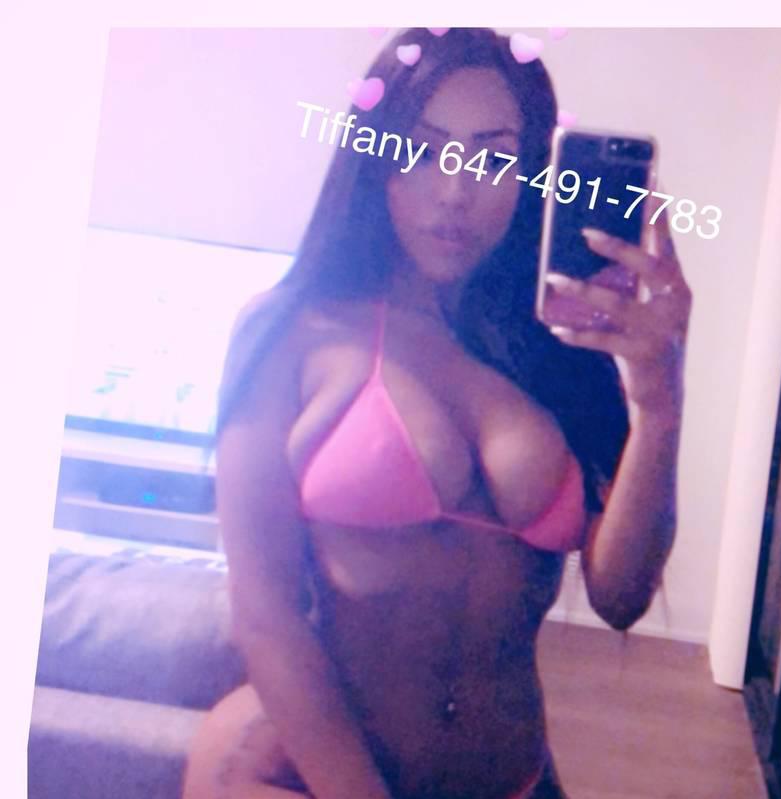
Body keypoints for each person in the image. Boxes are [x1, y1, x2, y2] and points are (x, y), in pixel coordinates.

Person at [181, 26, 691, 799]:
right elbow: (266, 615)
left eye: (492, 159)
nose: (455, 191)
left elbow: (620, 596)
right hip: (313, 780)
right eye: (423, 150)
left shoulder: (557, 351)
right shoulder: (294, 331)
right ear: (375, 158)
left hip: (516, 780)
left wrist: (660, 401)